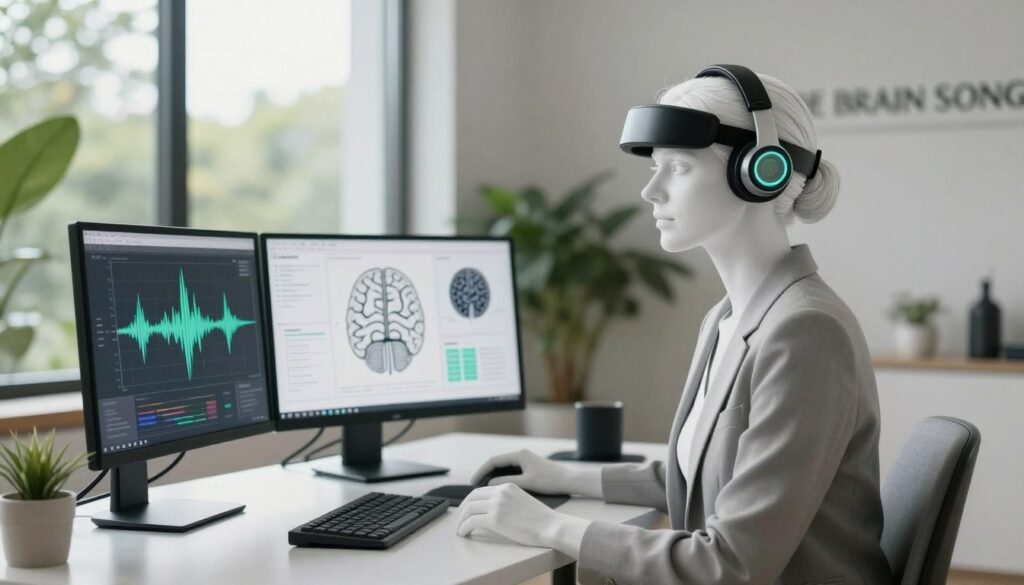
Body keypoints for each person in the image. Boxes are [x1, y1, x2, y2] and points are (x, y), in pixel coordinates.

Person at [454, 65, 894, 585]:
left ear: (759, 172)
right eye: (654, 167)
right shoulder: (729, 317)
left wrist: (551, 528)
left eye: (679, 167)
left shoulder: (807, 332)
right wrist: (559, 474)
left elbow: (730, 566)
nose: (651, 191)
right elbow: (704, 473)